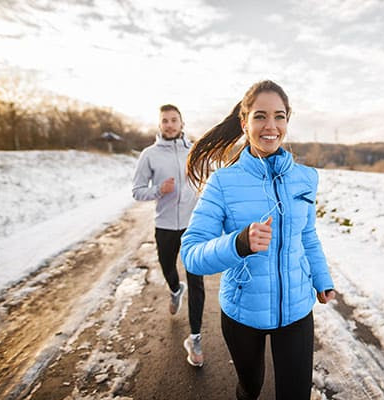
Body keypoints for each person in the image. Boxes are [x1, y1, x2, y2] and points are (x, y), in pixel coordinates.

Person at [181, 80, 336, 399]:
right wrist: (239, 243)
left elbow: (307, 235)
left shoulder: (306, 178)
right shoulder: (223, 182)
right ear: (244, 122)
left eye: (279, 116)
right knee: (250, 388)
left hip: (296, 310)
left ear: (287, 122)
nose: (271, 126)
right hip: (243, 311)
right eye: (260, 116)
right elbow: (192, 253)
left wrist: (321, 278)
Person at [132, 104, 205, 367]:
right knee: (168, 268)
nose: (170, 124)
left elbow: (204, 180)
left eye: (174, 120)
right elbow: (138, 190)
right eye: (165, 121)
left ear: (182, 123)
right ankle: (175, 290)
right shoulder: (149, 155)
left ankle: (195, 338)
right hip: (164, 225)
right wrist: (159, 190)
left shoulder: (194, 151)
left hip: (193, 226)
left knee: (197, 281)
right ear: (160, 125)